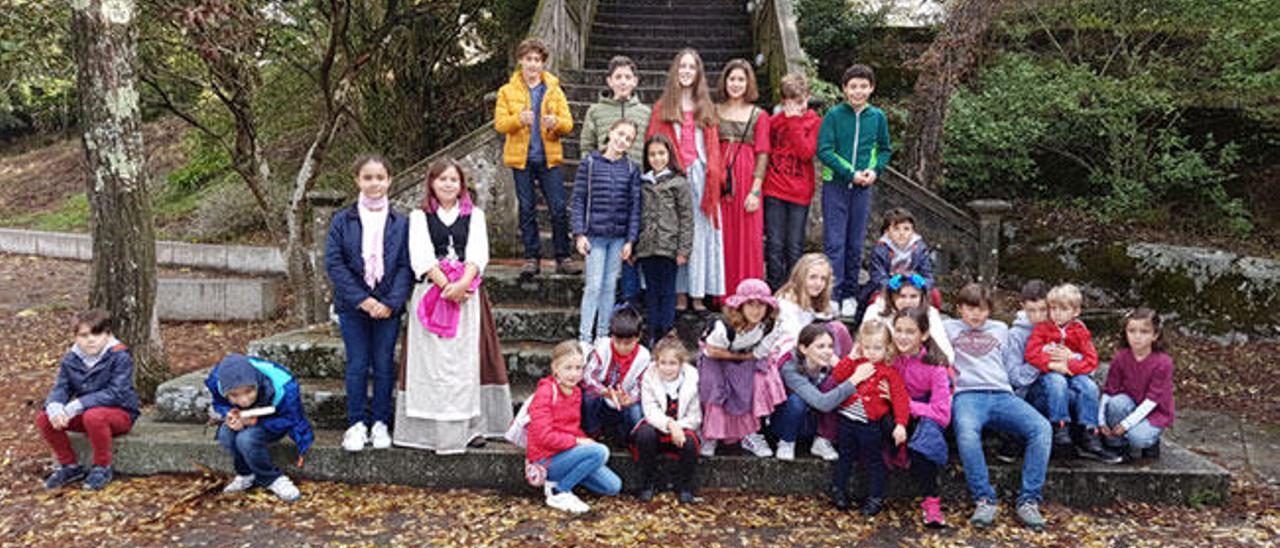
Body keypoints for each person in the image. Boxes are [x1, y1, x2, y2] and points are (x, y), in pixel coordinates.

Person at [397, 158, 512, 454]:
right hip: (432, 296)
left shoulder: (474, 215)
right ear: (432, 184)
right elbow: (420, 256)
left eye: (454, 180)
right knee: (432, 365)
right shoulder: (419, 217)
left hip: (467, 298)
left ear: (461, 185)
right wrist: (444, 286)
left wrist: (462, 285)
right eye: (442, 179)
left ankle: (472, 428)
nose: (448, 184)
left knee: (465, 364)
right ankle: (431, 432)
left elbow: (477, 254)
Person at [325, 154, 413, 453]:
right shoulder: (342, 220)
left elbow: (405, 265)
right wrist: (364, 300)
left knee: (384, 363)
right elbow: (335, 264)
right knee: (358, 363)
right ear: (357, 181)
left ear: (389, 180)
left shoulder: (401, 222)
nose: (374, 183)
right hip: (353, 306)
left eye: (380, 177)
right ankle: (356, 423)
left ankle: (380, 423)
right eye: (368, 177)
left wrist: (388, 302)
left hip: (388, 305)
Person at [945, 283, 1051, 531]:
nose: (976, 315)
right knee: (967, 434)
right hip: (967, 395)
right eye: (970, 309)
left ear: (990, 310)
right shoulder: (946, 327)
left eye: (982, 309)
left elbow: (1029, 328)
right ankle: (984, 499)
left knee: (1041, 428)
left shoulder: (1002, 329)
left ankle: (1029, 500)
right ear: (959, 308)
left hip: (1002, 394)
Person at [647, 48, 726, 311]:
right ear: (675, 71)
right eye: (682, 66)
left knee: (700, 235)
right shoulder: (663, 107)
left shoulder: (706, 106)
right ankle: (680, 292)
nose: (686, 72)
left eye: (692, 67)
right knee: (677, 232)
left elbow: (714, 147)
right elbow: (654, 144)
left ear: (698, 73)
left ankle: (698, 293)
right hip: (675, 177)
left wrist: (713, 174)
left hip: (703, 177)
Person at [494, 37, 579, 279]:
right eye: (528, 59)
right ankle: (532, 257)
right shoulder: (507, 91)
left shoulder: (554, 90)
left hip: (548, 157)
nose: (532, 64)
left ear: (543, 63)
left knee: (559, 208)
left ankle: (563, 256)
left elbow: (569, 124)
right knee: (527, 209)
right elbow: (500, 124)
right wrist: (518, 120)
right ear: (521, 61)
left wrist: (557, 124)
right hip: (521, 159)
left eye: (537, 60)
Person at [817, 64, 892, 318]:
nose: (858, 91)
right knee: (834, 243)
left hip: (863, 189)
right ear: (844, 89)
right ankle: (833, 295)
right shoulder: (834, 115)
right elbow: (824, 150)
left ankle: (850, 293)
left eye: (863, 86)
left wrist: (874, 170)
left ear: (871, 88)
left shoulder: (877, 117)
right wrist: (851, 173)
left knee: (855, 242)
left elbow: (884, 149)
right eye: (853, 86)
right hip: (835, 186)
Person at [36, 309, 140, 491]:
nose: (91, 339)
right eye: (83, 335)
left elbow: (116, 392)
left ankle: (102, 467)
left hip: (120, 414)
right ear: (75, 337)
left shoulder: (119, 356)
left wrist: (78, 404)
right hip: (87, 414)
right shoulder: (71, 359)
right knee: (45, 418)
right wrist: (55, 406)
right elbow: (62, 387)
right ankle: (69, 466)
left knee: (94, 416)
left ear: (107, 335)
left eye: (97, 333)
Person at [579, 55, 652, 306]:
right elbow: (586, 145)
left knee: (631, 241)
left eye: (627, 77)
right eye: (618, 77)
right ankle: (600, 298)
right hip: (604, 188)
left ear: (635, 81)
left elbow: (651, 146)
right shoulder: (596, 111)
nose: (623, 82)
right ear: (609, 81)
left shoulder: (645, 113)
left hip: (635, 184)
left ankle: (629, 297)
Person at [1024, 283, 1118, 463]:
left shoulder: (1080, 331)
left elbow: (1091, 361)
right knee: (1057, 381)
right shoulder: (1042, 328)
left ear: (1075, 312)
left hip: (1074, 373)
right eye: (1053, 308)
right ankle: (1060, 427)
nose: (1057, 313)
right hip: (1050, 375)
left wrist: (1071, 363)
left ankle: (1089, 431)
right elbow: (1031, 353)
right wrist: (1052, 364)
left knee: (1088, 386)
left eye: (1063, 309)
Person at [527, 340, 623, 514]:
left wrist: (584, 441)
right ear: (555, 368)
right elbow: (543, 436)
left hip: (566, 454)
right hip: (546, 459)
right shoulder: (546, 392)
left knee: (613, 486)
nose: (574, 374)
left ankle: (563, 480)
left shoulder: (577, 392)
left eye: (578, 368)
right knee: (600, 452)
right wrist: (577, 442)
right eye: (568, 368)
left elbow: (572, 426)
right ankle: (559, 491)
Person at [206, 353, 314, 502]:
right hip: (244, 418)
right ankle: (246, 473)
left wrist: (255, 422)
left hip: (275, 421)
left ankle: (272, 479)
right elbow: (220, 404)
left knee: (246, 438)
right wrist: (228, 413)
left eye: (249, 392)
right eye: (234, 395)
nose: (243, 400)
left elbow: (291, 420)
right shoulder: (216, 381)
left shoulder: (283, 386)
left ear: (257, 383)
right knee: (225, 433)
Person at [827, 320, 909, 515]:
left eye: (877, 348)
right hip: (847, 420)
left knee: (874, 459)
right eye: (867, 347)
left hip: (870, 423)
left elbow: (900, 400)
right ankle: (838, 489)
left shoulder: (890, 373)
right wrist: (851, 357)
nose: (871, 352)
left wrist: (900, 424)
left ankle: (875, 497)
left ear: (887, 348)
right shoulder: (856, 364)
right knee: (845, 456)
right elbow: (838, 376)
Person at [571, 119, 642, 344]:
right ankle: (585, 337)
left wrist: (630, 240)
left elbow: (634, 208)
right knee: (593, 285)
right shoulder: (590, 162)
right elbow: (579, 199)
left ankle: (602, 336)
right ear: (610, 132)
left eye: (628, 139)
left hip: (618, 237)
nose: (623, 140)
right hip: (594, 235)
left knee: (610, 286)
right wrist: (579, 233)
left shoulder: (631, 169)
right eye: (620, 134)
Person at [698, 279, 782, 458]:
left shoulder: (769, 326)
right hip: (716, 358)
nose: (756, 310)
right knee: (716, 387)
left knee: (752, 382)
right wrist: (740, 357)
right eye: (750, 304)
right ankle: (711, 435)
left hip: (745, 356)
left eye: (762, 305)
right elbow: (712, 351)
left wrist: (743, 359)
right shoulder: (724, 327)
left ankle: (749, 433)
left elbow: (759, 353)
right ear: (740, 307)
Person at [890, 307, 953, 528]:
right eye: (898, 330)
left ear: (924, 335)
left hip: (924, 417)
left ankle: (932, 501)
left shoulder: (934, 365)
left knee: (926, 438)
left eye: (910, 332)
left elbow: (942, 413)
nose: (902, 337)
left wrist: (905, 405)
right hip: (893, 417)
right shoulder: (890, 358)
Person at [715, 58, 770, 294]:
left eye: (741, 79)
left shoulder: (759, 114)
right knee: (722, 238)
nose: (736, 84)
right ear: (725, 81)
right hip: (721, 181)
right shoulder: (715, 111)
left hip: (747, 179)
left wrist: (755, 191)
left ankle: (748, 292)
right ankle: (721, 291)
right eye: (732, 79)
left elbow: (763, 153)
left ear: (748, 83)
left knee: (748, 239)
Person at [634, 134, 694, 344]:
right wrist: (634, 246)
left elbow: (687, 217)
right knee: (651, 290)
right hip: (647, 246)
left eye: (661, 153)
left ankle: (666, 329)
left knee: (668, 290)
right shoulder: (642, 182)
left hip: (669, 247)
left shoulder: (678, 183)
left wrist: (683, 249)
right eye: (652, 154)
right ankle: (652, 329)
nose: (657, 158)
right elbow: (635, 215)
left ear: (669, 154)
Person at [763, 73, 820, 290]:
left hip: (799, 192)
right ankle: (775, 286)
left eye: (799, 101)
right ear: (782, 100)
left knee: (794, 245)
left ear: (807, 97)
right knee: (775, 243)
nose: (794, 106)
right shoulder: (774, 122)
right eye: (789, 101)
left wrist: (794, 121)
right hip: (775, 189)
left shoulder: (814, 122)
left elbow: (806, 152)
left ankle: (795, 288)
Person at [771, 323, 857, 462]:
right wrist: (853, 380)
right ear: (803, 349)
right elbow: (822, 403)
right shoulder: (790, 367)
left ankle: (822, 440)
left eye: (830, 346)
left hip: (811, 423)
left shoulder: (829, 363)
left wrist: (841, 369)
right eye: (820, 346)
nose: (828, 351)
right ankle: (786, 441)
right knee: (797, 401)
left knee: (836, 387)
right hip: (786, 421)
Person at [633, 335, 702, 503]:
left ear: (681, 363)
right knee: (644, 434)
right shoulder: (649, 376)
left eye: (673, 363)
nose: (667, 368)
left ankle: (684, 485)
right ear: (656, 362)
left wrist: (678, 427)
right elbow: (650, 410)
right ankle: (649, 482)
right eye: (663, 363)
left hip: (682, 424)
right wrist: (670, 425)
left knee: (690, 442)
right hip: (659, 424)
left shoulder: (693, 378)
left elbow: (695, 416)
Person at [1100, 308, 1175, 462]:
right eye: (1132, 331)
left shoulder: (1163, 363)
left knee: (1137, 438)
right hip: (1129, 404)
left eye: (1144, 332)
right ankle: (1118, 447)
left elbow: (1152, 400)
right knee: (1115, 403)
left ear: (1155, 335)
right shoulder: (1120, 358)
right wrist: (1101, 420)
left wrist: (1127, 424)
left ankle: (1150, 442)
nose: (1137, 337)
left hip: (1154, 412)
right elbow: (1109, 390)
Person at [997, 279, 1051, 463]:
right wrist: (1039, 360)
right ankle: (1017, 437)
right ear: (1022, 307)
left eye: (1043, 310)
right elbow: (1015, 376)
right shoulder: (1016, 335)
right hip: (1026, 391)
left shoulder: (1059, 328)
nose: (1038, 316)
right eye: (1032, 310)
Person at [580, 307, 650, 443]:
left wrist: (630, 398)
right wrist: (604, 391)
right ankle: (592, 431)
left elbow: (642, 385)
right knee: (588, 396)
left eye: (628, 343)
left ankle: (626, 437)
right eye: (618, 342)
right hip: (603, 396)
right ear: (611, 336)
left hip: (624, 398)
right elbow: (588, 376)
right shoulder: (603, 347)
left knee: (636, 412)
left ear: (638, 338)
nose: (622, 348)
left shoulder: (644, 356)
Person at [860, 272, 955, 364]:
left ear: (922, 297)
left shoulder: (930, 314)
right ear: (892, 297)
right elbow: (863, 346)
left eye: (913, 296)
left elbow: (946, 353)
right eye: (902, 296)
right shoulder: (875, 311)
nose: (908, 302)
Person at [773, 253, 854, 357]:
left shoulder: (816, 300)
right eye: (813, 277)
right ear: (801, 277)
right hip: (790, 356)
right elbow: (794, 340)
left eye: (823, 279)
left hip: (812, 352)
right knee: (836, 329)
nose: (818, 283)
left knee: (838, 329)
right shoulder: (786, 304)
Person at [867, 207, 936, 304]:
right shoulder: (880, 249)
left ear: (913, 231)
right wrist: (889, 285)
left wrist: (923, 283)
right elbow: (877, 277)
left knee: (935, 296)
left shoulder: (920, 249)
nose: (902, 233)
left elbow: (928, 275)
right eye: (896, 229)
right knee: (876, 299)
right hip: (888, 287)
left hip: (913, 286)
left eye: (906, 229)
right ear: (887, 231)